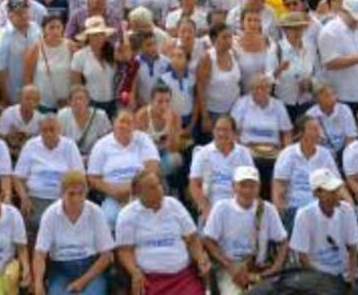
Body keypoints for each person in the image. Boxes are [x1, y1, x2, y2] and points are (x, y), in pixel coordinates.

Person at [116, 166, 211, 295]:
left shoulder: (174, 205)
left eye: (159, 185)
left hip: (182, 276)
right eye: (152, 187)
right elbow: (124, 251)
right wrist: (134, 272)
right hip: (150, 278)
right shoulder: (127, 215)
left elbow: (192, 238)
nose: (159, 190)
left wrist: (200, 258)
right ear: (138, 192)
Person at [201, 165, 289, 295]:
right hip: (228, 268)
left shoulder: (267, 209)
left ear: (258, 188)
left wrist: (276, 268)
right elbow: (208, 240)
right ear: (233, 187)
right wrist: (230, 266)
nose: (247, 190)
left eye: (252, 186)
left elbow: (283, 241)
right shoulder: (221, 208)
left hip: (259, 269)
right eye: (242, 185)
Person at [33, 170, 113, 295]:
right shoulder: (50, 214)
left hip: (90, 269)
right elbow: (40, 254)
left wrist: (82, 281)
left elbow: (106, 256)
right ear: (62, 193)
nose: (76, 198)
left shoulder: (96, 212)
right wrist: (38, 283)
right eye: (71, 194)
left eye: (80, 193)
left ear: (86, 193)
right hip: (61, 269)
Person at [290, 169, 358, 294]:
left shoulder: (346, 209)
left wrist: (351, 277)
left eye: (336, 190)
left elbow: (353, 248)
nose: (336, 194)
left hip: (345, 271)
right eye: (331, 191)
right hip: (319, 274)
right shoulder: (304, 215)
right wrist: (321, 282)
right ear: (317, 193)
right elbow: (303, 258)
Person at [86, 110, 160, 228]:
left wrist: (130, 189)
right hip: (113, 196)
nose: (125, 126)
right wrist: (112, 190)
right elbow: (93, 177)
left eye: (129, 122)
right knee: (109, 218)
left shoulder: (143, 139)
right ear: (114, 123)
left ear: (134, 125)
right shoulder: (101, 144)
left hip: (141, 192)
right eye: (122, 121)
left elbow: (153, 167)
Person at [14, 112, 84, 230]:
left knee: (62, 224)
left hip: (63, 199)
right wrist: (24, 198)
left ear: (59, 130)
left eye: (52, 130)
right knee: (35, 221)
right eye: (44, 130)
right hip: (36, 198)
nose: (48, 134)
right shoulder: (31, 145)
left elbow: (80, 177)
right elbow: (17, 178)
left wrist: (72, 199)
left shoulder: (69, 146)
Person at [188, 115, 255, 221]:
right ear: (213, 131)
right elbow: (194, 184)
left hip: (238, 201)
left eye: (226, 130)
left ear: (234, 133)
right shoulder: (203, 153)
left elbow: (252, 183)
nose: (221, 133)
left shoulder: (243, 153)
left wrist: (244, 205)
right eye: (218, 129)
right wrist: (205, 207)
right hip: (211, 201)